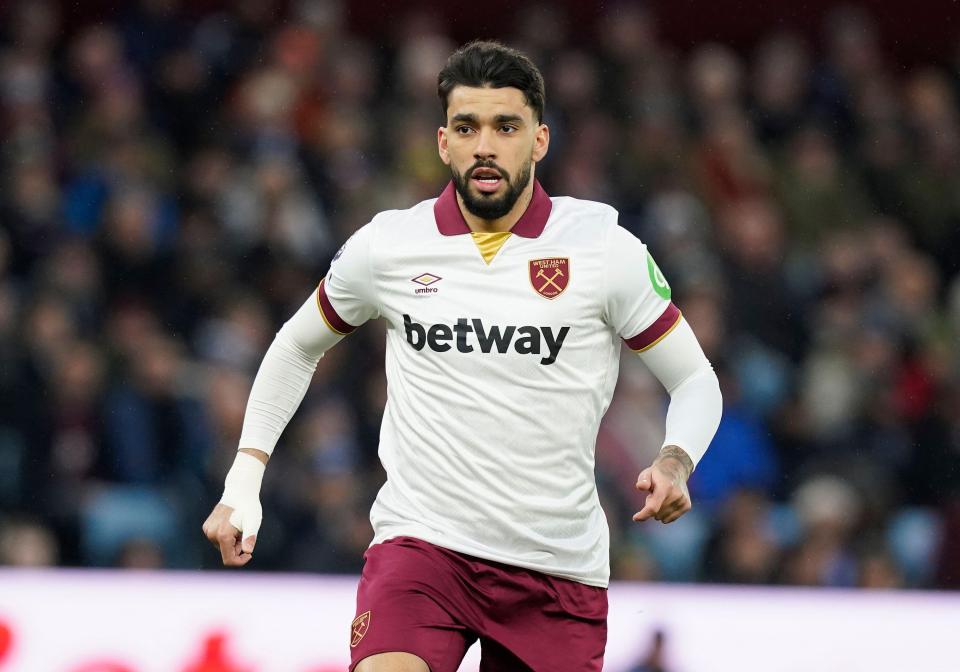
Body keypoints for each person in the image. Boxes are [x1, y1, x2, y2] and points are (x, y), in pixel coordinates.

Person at [202, 41, 722, 672]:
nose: (486, 145)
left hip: (554, 568)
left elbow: (695, 380)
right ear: (443, 142)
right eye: (467, 126)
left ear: (540, 141)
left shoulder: (603, 250)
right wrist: (244, 481)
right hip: (424, 548)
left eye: (506, 126)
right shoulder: (389, 246)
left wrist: (675, 460)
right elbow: (295, 346)